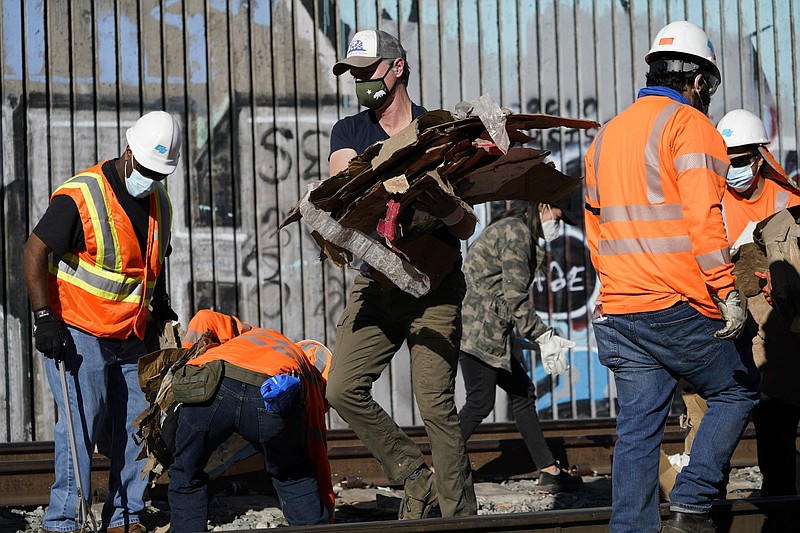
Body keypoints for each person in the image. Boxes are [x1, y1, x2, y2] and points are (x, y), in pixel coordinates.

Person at [583, 21, 760, 533]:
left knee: (638, 426)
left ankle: (631, 528)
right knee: (737, 389)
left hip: (619, 309)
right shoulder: (691, 127)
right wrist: (727, 290)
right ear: (699, 81)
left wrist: (617, 289)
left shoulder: (607, 135)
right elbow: (705, 223)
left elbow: (595, 231)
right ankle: (692, 499)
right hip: (677, 304)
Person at [325, 29, 478, 519]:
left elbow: (468, 224)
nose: (360, 83)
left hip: (435, 286)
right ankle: (416, 477)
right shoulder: (349, 133)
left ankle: (461, 518)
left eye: (367, 72)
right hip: (379, 282)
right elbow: (342, 181)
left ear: (398, 68)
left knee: (435, 407)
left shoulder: (439, 135)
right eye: (353, 75)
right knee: (341, 387)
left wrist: (446, 206)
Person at [23, 111, 182, 533]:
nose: (150, 179)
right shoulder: (83, 195)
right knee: (80, 426)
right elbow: (34, 252)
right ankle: (64, 521)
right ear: (128, 153)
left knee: (136, 428)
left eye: (159, 173)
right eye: (145, 169)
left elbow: (152, 262)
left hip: (130, 335)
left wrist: (159, 306)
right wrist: (44, 318)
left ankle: (123, 518)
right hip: (78, 332)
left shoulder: (160, 202)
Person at [458, 196, 583, 493]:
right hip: (480, 330)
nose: (559, 225)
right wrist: (542, 334)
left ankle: (549, 470)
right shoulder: (516, 232)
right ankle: (441, 466)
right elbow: (514, 296)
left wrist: (519, 338)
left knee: (522, 393)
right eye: (558, 216)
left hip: (486, 329)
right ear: (541, 206)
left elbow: (496, 290)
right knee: (480, 401)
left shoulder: (511, 228)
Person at [168, 310, 333, 531]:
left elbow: (204, 316)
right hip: (266, 393)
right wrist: (328, 516)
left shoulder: (261, 335)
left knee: (186, 472)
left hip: (214, 381)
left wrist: (188, 359)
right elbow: (317, 452)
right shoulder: (308, 375)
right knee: (293, 474)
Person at [716, 109, 800, 497]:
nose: (733, 170)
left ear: (758, 158)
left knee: (776, 406)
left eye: (740, 161)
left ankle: (780, 491)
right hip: (731, 315)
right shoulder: (714, 200)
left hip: (780, 323)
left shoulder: (789, 199)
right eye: (726, 161)